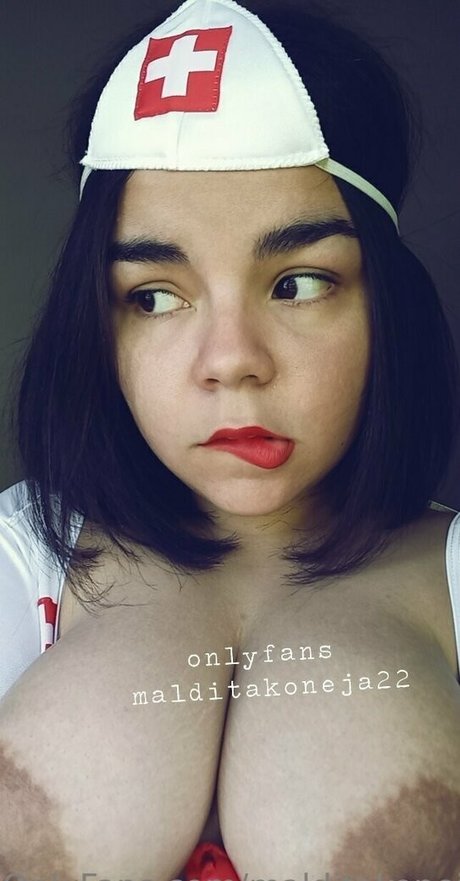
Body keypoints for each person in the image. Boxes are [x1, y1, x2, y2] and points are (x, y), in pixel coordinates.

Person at [0, 0, 459, 877]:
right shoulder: (23, 562)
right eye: (154, 296)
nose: (231, 361)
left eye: (299, 283)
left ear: (386, 306)